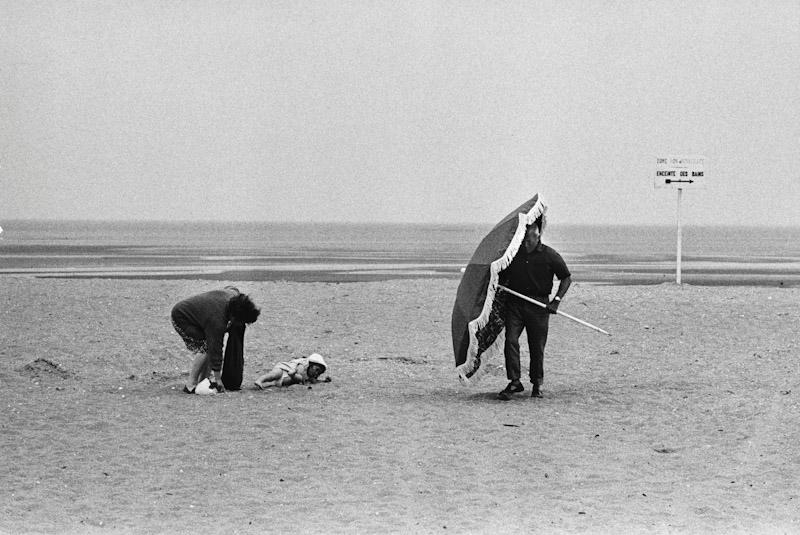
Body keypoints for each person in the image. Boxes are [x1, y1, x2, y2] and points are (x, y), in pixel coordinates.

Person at [498, 215, 571, 400]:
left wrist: (556, 300)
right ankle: (515, 381)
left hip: (539, 305)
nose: (524, 243)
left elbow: (566, 278)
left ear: (537, 237)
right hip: (515, 303)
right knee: (511, 340)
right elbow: (501, 273)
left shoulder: (550, 255)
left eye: (528, 240)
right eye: (522, 239)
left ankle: (537, 383)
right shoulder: (514, 254)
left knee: (536, 346)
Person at [171, 286, 261, 394]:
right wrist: (218, 379)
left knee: (211, 344)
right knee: (206, 346)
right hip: (181, 317)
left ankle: (203, 381)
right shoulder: (217, 321)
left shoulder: (233, 297)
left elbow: (232, 288)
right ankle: (191, 385)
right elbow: (216, 348)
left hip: (200, 315)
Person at [254, 353, 328, 389]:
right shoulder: (304, 364)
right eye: (316, 369)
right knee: (275, 374)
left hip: (290, 377)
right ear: (311, 364)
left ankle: (268, 384)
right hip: (285, 369)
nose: (316, 373)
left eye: (319, 372)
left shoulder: (311, 375)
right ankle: (260, 380)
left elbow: (313, 381)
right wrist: (295, 373)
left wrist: (323, 381)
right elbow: (299, 369)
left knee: (296, 379)